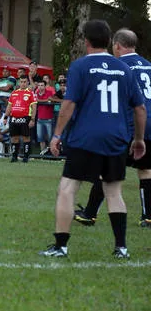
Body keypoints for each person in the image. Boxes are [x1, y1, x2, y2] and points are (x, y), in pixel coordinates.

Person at [40, 20, 146, 259]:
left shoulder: (80, 67)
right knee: (114, 191)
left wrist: (57, 134)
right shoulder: (123, 69)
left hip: (85, 136)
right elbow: (140, 109)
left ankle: (61, 245)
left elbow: (69, 103)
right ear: (110, 41)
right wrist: (138, 139)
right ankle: (121, 248)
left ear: (85, 41)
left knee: (68, 188)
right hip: (117, 138)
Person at [74, 28, 151, 229]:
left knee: (106, 170)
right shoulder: (149, 66)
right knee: (146, 169)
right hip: (149, 122)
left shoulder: (118, 66)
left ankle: (89, 214)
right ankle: (148, 215)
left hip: (130, 124)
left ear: (117, 46)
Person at [4, 76, 37, 163]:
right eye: (21, 82)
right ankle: (14, 157)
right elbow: (9, 106)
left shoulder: (31, 93)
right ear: (19, 83)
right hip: (14, 118)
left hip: (26, 118)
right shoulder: (14, 93)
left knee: (26, 138)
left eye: (25, 82)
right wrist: (5, 117)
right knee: (14, 138)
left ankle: (26, 157)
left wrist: (32, 119)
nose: (23, 83)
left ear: (27, 83)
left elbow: (34, 107)